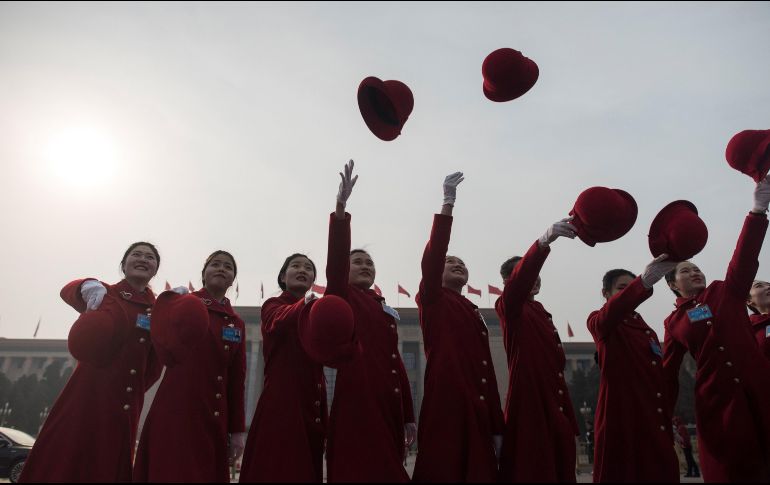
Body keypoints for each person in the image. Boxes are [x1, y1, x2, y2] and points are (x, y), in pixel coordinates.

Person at [20, 242, 164, 482]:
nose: (143, 259)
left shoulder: (157, 310)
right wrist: (86, 284)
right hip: (89, 393)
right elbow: (68, 290)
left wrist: (133, 388)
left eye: (150, 257)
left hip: (125, 403)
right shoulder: (107, 293)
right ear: (123, 264)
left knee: (107, 465)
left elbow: (154, 366)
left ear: (155, 269)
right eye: (136, 254)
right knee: (68, 457)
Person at [662, 174, 770, 482]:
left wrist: (758, 211)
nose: (695, 272)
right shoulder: (674, 322)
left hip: (760, 386)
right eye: (686, 271)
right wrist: (663, 415)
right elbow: (667, 374)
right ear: (672, 284)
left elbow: (745, 257)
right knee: (734, 469)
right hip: (718, 403)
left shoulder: (726, 291)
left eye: (697, 269)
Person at [323, 160, 416, 482]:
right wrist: (340, 212)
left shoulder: (382, 307)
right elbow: (335, 262)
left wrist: (408, 415)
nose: (365, 266)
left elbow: (396, 363)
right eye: (358, 261)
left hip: (388, 406)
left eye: (369, 263)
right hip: (358, 405)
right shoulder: (342, 294)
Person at [412, 173, 504, 482]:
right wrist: (447, 206)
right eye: (450, 263)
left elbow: (488, 372)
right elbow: (435, 255)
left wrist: (497, 425)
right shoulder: (433, 299)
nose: (457, 264)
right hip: (447, 404)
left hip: (476, 409)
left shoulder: (473, 312)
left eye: (462, 263)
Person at [133, 250, 246, 483]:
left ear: (233, 279)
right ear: (204, 274)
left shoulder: (235, 323)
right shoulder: (185, 304)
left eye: (228, 266)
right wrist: (168, 304)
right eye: (215, 264)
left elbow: (236, 379)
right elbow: (161, 344)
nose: (222, 269)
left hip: (214, 417)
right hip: (178, 410)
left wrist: (237, 430)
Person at [495, 218, 580, 482]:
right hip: (530, 397)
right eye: (527, 274)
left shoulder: (541, 312)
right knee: (533, 465)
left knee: (560, 463)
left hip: (554, 397)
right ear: (512, 280)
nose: (534, 280)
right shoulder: (510, 306)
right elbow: (518, 286)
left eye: (537, 277)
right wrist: (543, 243)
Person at [587, 260, 680, 482]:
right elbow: (609, 316)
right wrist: (642, 283)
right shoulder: (601, 321)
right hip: (623, 417)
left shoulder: (645, 328)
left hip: (652, 415)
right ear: (605, 293)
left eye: (632, 287)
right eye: (622, 288)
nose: (628, 293)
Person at [239, 253, 327, 482]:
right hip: (282, 405)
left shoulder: (317, 312)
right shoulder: (273, 305)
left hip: (312, 407)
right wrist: (305, 305)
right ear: (282, 276)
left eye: (308, 268)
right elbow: (278, 321)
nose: (302, 270)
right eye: (295, 266)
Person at [746, 279, 770, 360]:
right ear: (749, 301)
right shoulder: (747, 332)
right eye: (759, 286)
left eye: (768, 284)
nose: (768, 287)